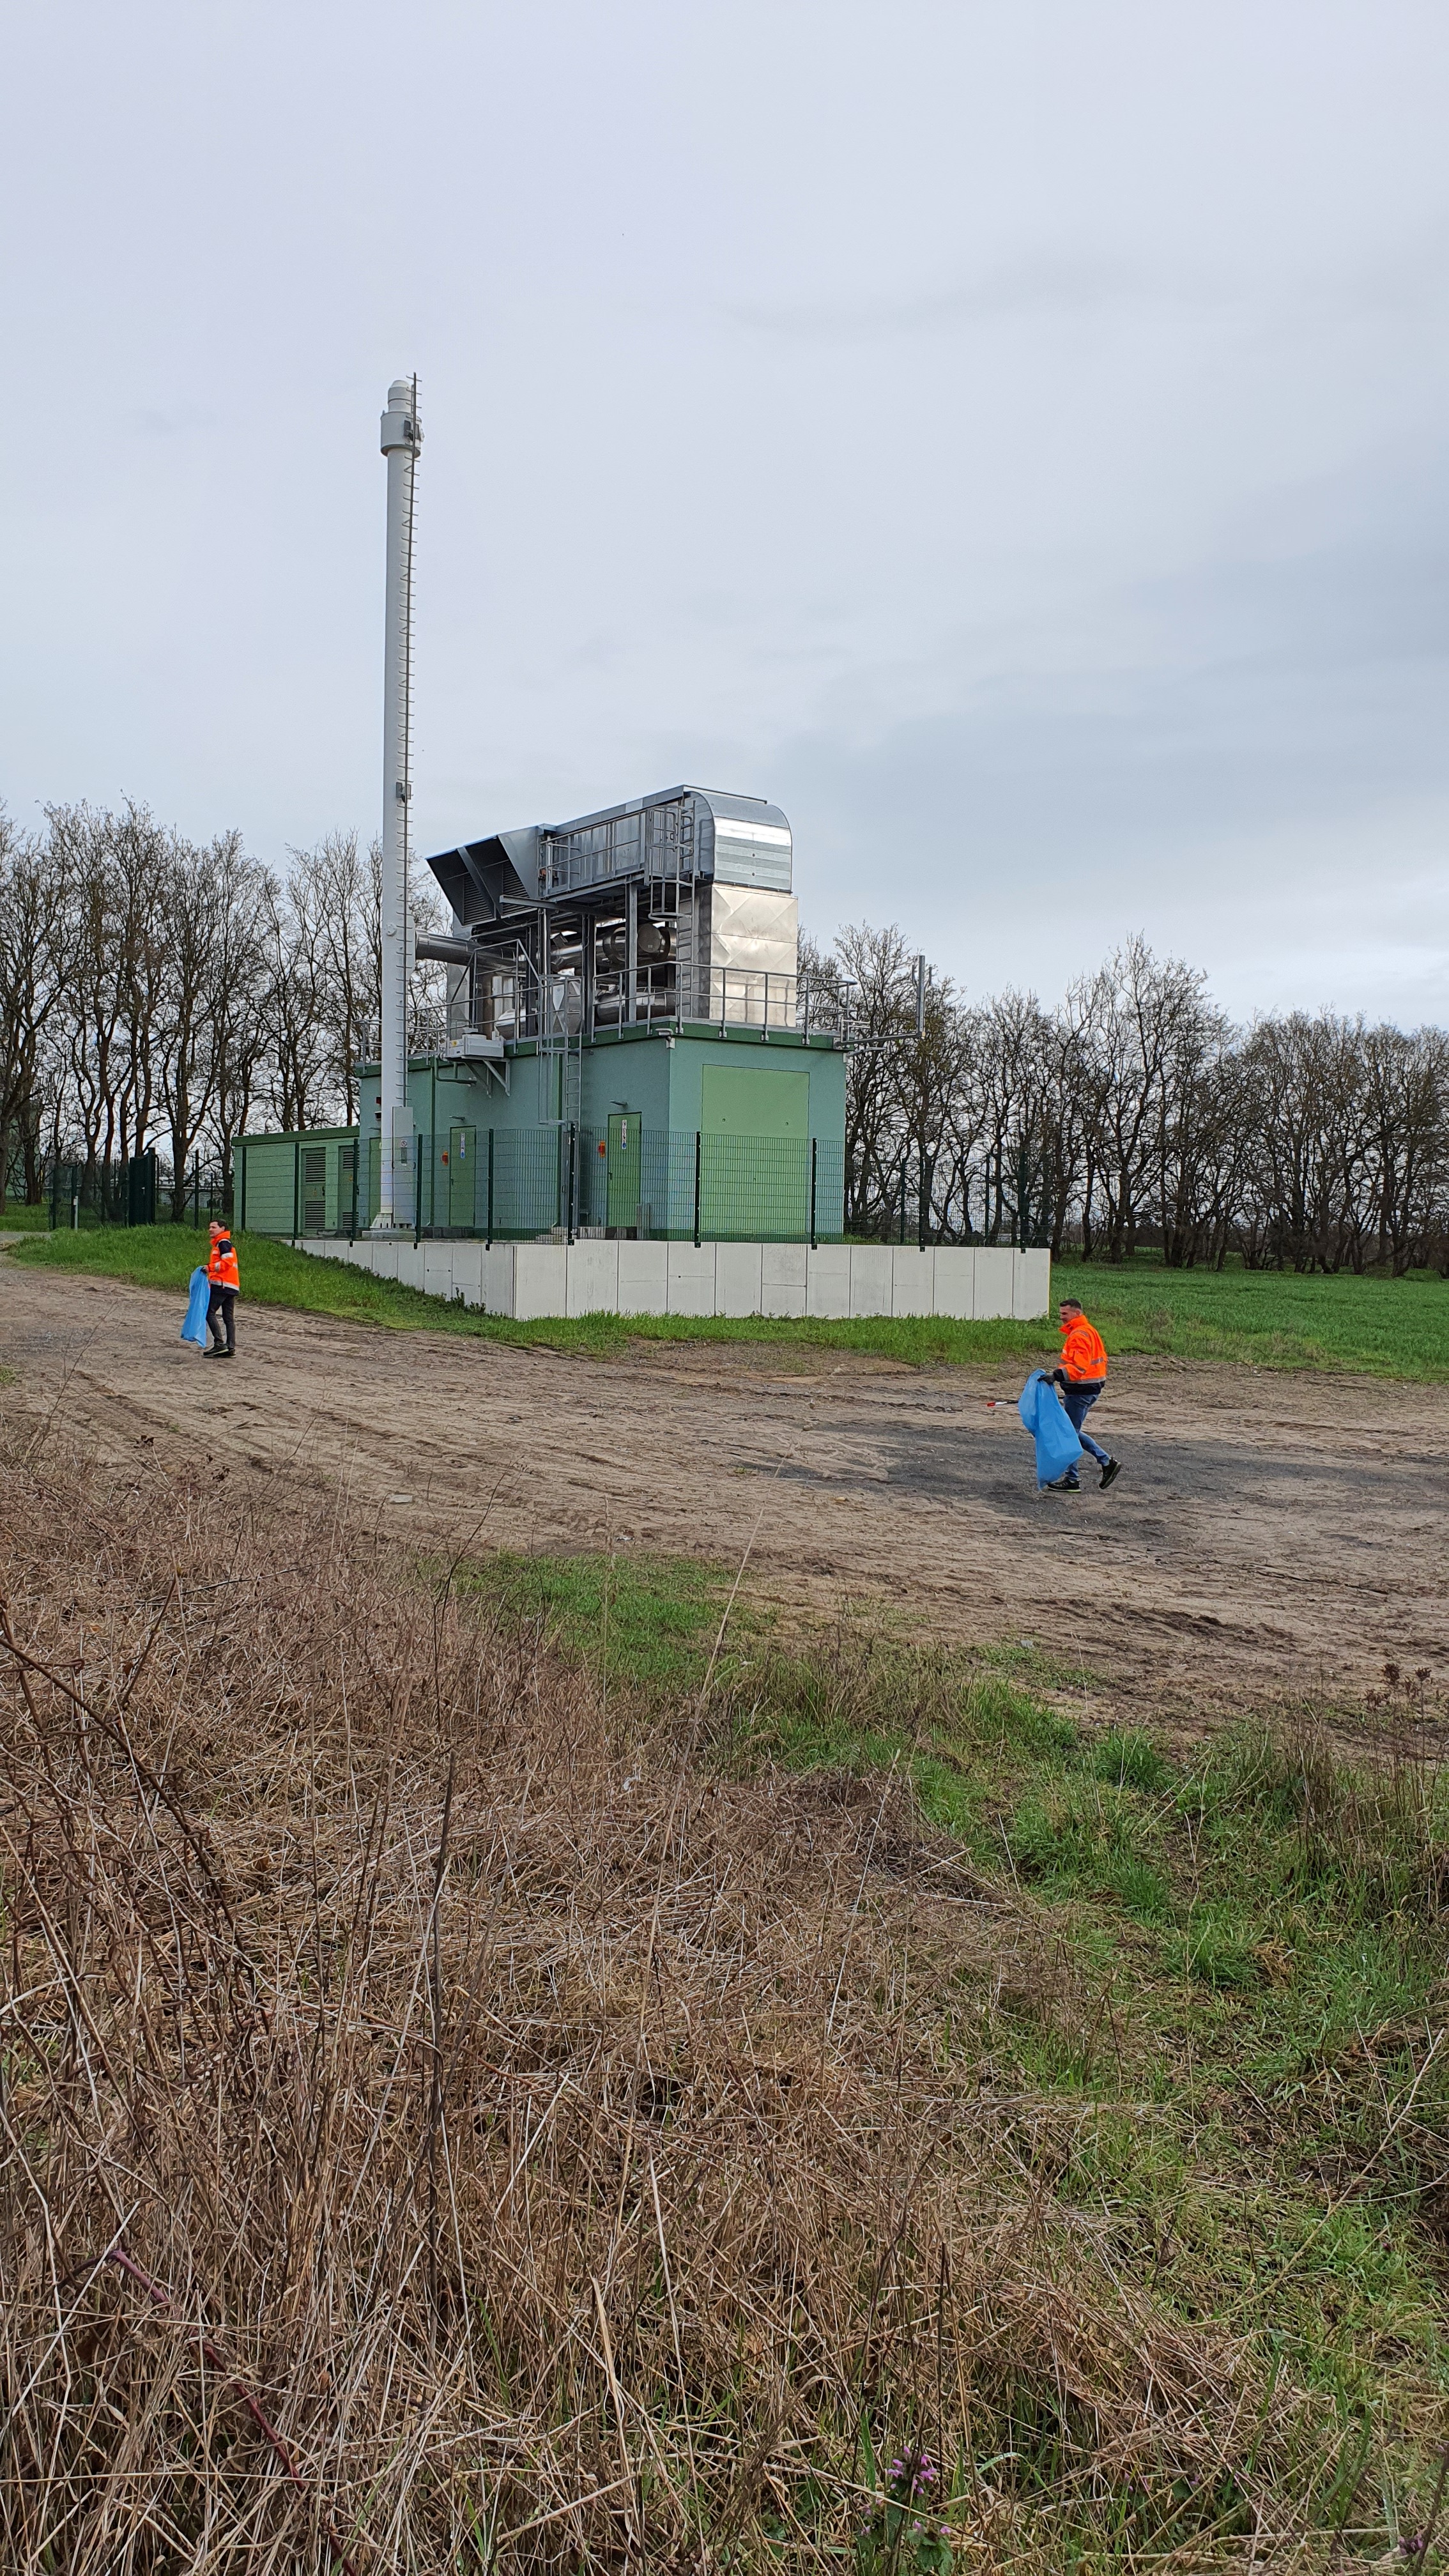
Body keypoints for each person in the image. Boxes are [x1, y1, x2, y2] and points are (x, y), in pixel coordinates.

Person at [1043, 1296, 1120, 1493]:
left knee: (1068, 1434)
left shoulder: (1079, 1334)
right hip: (1090, 1389)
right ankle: (1097, 1466)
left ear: (1076, 1313)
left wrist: (1056, 1375)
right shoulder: (1088, 1330)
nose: (1061, 1318)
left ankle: (1082, 1475)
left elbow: (1079, 1367)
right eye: (1060, 1314)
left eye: (1064, 1314)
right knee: (1071, 1431)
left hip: (1081, 1391)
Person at [204, 1219, 240, 1359]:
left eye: (214, 1227)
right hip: (231, 1285)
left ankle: (219, 1343)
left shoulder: (223, 1243)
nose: (210, 1230)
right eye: (210, 1227)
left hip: (222, 1285)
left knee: (209, 1312)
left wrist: (209, 1268)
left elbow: (227, 1263)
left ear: (222, 1228)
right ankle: (230, 1348)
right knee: (228, 1318)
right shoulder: (223, 1243)